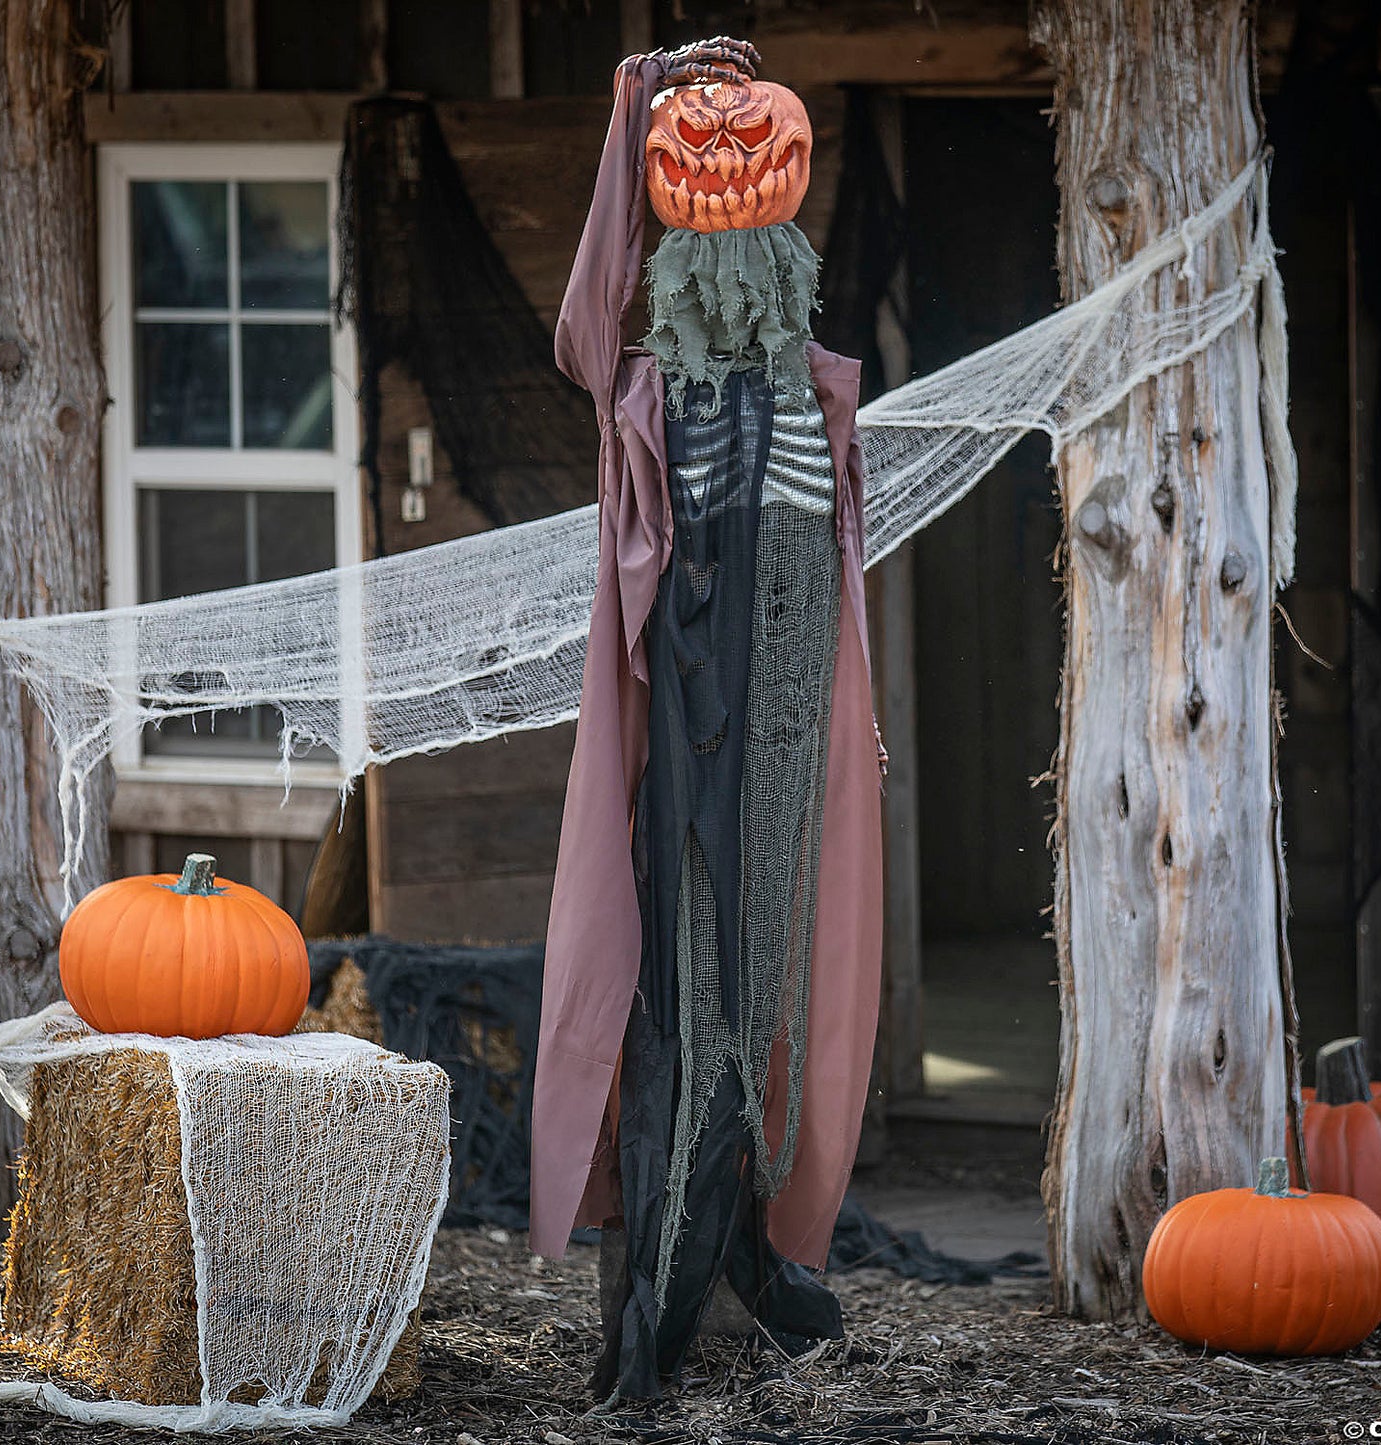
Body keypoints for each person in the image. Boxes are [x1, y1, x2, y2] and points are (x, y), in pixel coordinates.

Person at [528, 36, 885, 1399]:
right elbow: (583, 316)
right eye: (700, 151)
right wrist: (638, 106)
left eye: (754, 156)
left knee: (780, 980)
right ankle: (658, 1305)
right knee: (690, 983)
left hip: (794, 722)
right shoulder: (642, 394)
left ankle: (742, 1236)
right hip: (689, 722)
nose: (728, 172)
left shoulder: (814, 395)